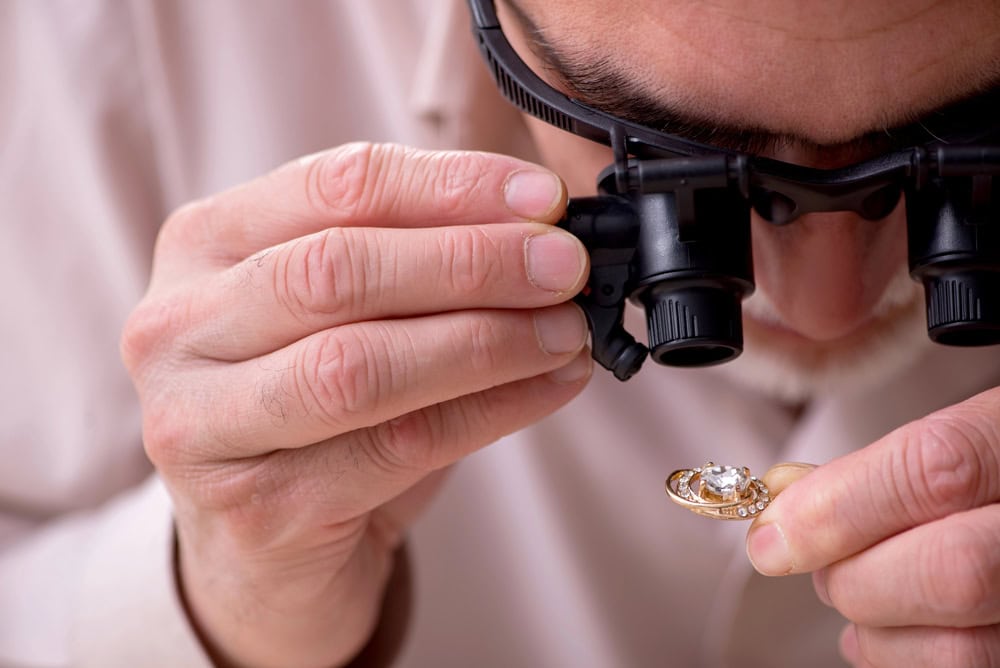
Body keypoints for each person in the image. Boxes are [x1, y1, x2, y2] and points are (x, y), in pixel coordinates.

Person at [2, 0, 999, 666]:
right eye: (659, 142)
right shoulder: (105, 37)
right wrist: (210, 597)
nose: (824, 305)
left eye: (961, 143)